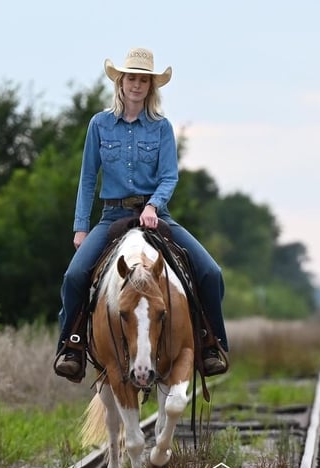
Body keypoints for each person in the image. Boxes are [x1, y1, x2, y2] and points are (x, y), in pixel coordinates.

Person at [54, 47, 228, 382]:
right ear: (120, 82)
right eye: (131, 78)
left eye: (143, 80)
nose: (136, 85)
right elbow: (88, 178)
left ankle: (210, 344)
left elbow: (169, 176)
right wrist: (80, 228)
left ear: (151, 86)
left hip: (157, 215)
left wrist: (152, 206)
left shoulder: (161, 128)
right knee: (74, 277)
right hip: (110, 217)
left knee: (210, 272)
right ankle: (72, 346)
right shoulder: (99, 125)